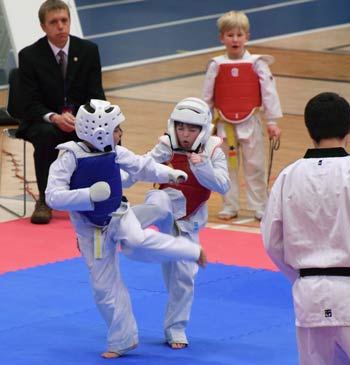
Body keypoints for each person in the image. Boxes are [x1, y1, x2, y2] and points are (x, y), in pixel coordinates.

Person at [45, 99, 207, 359]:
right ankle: (123, 339)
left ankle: (188, 250)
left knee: (136, 243)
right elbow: (52, 197)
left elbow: (142, 166)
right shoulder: (68, 157)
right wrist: (88, 195)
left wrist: (168, 175)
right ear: (99, 130)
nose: (120, 134)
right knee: (103, 288)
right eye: (117, 129)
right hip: (90, 230)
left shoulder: (115, 152)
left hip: (119, 214)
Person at [261, 92, 350, 365]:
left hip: (309, 294)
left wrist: (301, 276)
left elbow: (272, 241)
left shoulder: (288, 176)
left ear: (309, 130)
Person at [128, 97, 230, 348]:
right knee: (161, 201)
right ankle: (118, 223)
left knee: (183, 279)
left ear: (203, 129)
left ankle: (175, 330)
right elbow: (142, 167)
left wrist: (202, 165)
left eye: (192, 129)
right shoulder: (166, 144)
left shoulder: (213, 149)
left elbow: (223, 185)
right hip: (163, 209)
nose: (184, 134)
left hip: (188, 221)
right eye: (181, 127)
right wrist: (118, 177)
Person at [17, 0, 105, 224]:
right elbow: (29, 103)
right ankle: (45, 200)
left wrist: (83, 119)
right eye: (54, 22)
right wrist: (54, 117)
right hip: (44, 120)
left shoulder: (88, 51)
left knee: (108, 134)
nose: (61, 27)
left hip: (79, 119)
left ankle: (100, 194)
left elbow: (96, 96)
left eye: (64, 21)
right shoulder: (29, 56)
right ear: (43, 26)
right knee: (46, 135)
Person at [202, 10, 282, 221]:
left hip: (251, 121)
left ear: (247, 36)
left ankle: (260, 206)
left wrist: (272, 122)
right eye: (230, 35)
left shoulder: (258, 64)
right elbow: (207, 97)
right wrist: (203, 125)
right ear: (222, 38)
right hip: (224, 124)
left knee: (255, 165)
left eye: (239, 35)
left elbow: (269, 93)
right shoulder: (216, 65)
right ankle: (230, 205)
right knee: (226, 166)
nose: (235, 39)